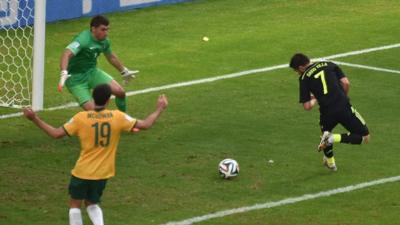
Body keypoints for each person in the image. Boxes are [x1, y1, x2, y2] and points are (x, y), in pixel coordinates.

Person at [23, 84, 168, 225]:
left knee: (75, 205)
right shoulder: (118, 117)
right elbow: (145, 125)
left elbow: (56, 134)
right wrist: (159, 109)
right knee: (92, 203)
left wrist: (34, 118)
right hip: (102, 173)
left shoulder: (81, 118)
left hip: (82, 172)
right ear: (108, 100)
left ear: (93, 98)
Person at [289, 53, 370, 171]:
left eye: (296, 70)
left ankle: (331, 164)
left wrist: (316, 98)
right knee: (364, 137)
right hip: (343, 107)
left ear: (301, 67)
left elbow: (307, 106)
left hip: (327, 112)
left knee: (324, 134)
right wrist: (343, 96)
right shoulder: (329, 64)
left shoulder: (304, 78)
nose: (297, 73)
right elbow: (346, 83)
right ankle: (333, 138)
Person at [58, 15, 138, 112]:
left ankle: (124, 120)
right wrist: (64, 72)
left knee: (120, 92)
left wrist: (123, 71)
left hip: (92, 73)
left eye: (107, 30)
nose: (106, 33)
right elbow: (66, 54)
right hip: (76, 80)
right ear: (93, 29)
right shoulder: (83, 39)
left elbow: (111, 56)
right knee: (94, 113)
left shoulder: (104, 42)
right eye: (103, 30)